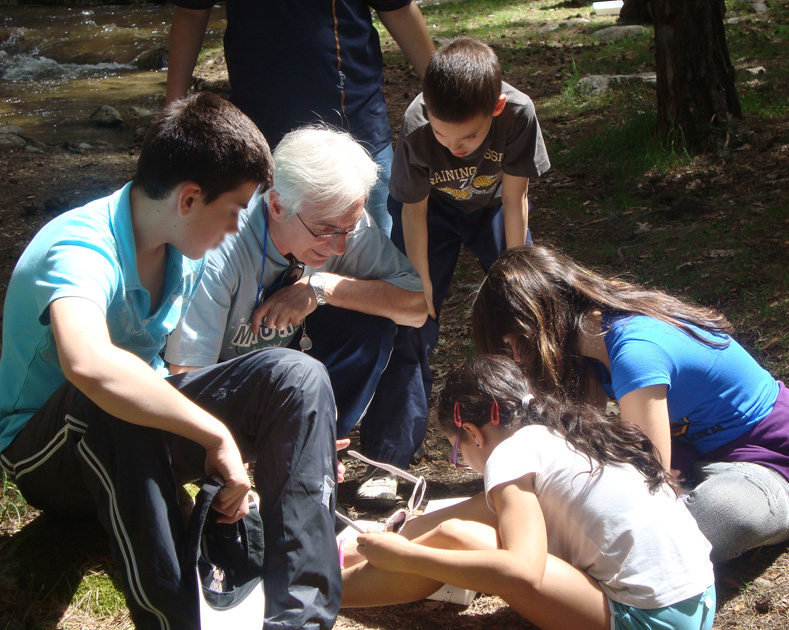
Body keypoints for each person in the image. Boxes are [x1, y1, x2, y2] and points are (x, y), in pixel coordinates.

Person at [0, 94, 341, 630]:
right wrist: (216, 436)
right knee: (112, 402)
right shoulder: (79, 245)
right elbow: (88, 365)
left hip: (135, 434)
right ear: (188, 199)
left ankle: (300, 618)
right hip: (46, 451)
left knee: (297, 377)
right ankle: (176, 620)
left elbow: (179, 374)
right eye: (234, 212)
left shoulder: (180, 249)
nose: (236, 229)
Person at [473, 244, 789, 563]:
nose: (516, 360)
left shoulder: (635, 352)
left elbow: (648, 479)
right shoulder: (593, 351)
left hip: (774, 463)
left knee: (717, 514)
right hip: (694, 458)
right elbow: (589, 452)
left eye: (510, 345)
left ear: (531, 329)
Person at [340, 356, 716, 630]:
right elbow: (478, 510)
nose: (463, 463)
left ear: (472, 433)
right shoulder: (564, 433)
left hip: (649, 620)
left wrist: (407, 557)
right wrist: (386, 538)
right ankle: (327, 575)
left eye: (457, 453)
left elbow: (523, 573)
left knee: (455, 539)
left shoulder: (508, 454)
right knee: (459, 530)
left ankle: (319, 592)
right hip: (699, 599)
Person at [164, 125, 428, 508]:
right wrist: (240, 453)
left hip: (289, 387)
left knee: (375, 318)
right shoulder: (220, 243)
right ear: (276, 205)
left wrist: (323, 288)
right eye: (325, 232)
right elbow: (187, 379)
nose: (338, 246)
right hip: (225, 396)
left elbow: (417, 307)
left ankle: (318, 447)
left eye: (347, 231)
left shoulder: (337, 220)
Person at [360, 36, 550, 478]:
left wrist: (515, 274)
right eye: (443, 134)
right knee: (410, 321)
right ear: (428, 112)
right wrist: (422, 285)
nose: (454, 146)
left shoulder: (519, 113)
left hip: (494, 209)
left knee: (529, 311)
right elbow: (414, 209)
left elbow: (515, 197)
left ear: (496, 109)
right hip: (431, 215)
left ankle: (539, 439)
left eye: (469, 136)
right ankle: (389, 463)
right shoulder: (416, 123)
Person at [165, 0, 435, 235]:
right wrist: (173, 115)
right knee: (264, 268)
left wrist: (441, 91)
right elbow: (191, 12)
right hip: (260, 140)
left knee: (376, 263)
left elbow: (398, 10)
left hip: (358, 134)